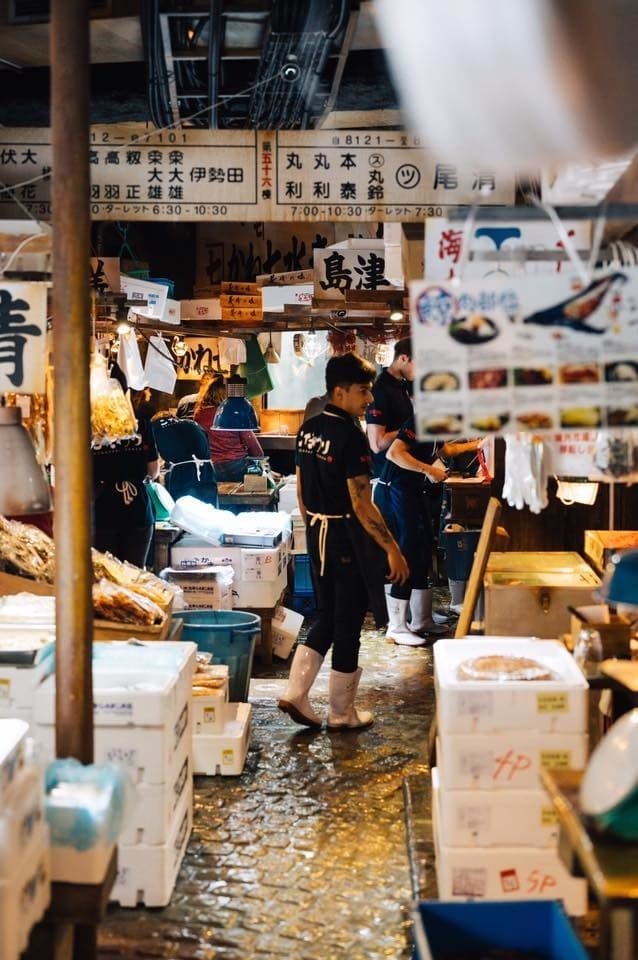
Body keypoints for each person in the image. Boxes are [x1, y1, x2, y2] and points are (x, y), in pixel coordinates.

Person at [278, 353, 409, 731]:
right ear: (340, 391)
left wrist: (314, 528)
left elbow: (301, 490)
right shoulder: (350, 436)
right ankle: (341, 714)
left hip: (318, 534)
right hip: (347, 539)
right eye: (363, 391)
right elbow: (361, 503)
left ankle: (295, 692)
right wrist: (392, 549)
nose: (369, 399)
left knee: (328, 615)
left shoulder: (310, 428)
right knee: (349, 621)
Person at [377, 417, 483, 645]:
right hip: (394, 492)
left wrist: (476, 445)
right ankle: (396, 626)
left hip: (412, 492)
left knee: (424, 548)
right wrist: (428, 470)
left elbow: (445, 449)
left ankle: (421, 619)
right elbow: (394, 453)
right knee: (408, 553)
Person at [92, 410, 160, 568]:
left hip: (102, 505)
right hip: (137, 507)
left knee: (107, 577)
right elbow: (153, 470)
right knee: (134, 576)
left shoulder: (89, 418)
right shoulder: (140, 418)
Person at [192, 374, 265, 483]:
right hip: (238, 466)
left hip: (212, 468)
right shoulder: (234, 411)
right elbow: (256, 449)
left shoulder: (199, 414)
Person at [366, 337, 415, 476]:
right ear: (404, 358)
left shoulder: (402, 385)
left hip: (403, 472)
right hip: (387, 476)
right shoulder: (380, 389)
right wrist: (412, 429)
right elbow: (377, 444)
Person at [151, 412, 218, 506]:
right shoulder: (191, 423)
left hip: (183, 478)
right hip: (207, 473)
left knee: (185, 515)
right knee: (209, 512)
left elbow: (153, 462)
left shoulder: (155, 428)